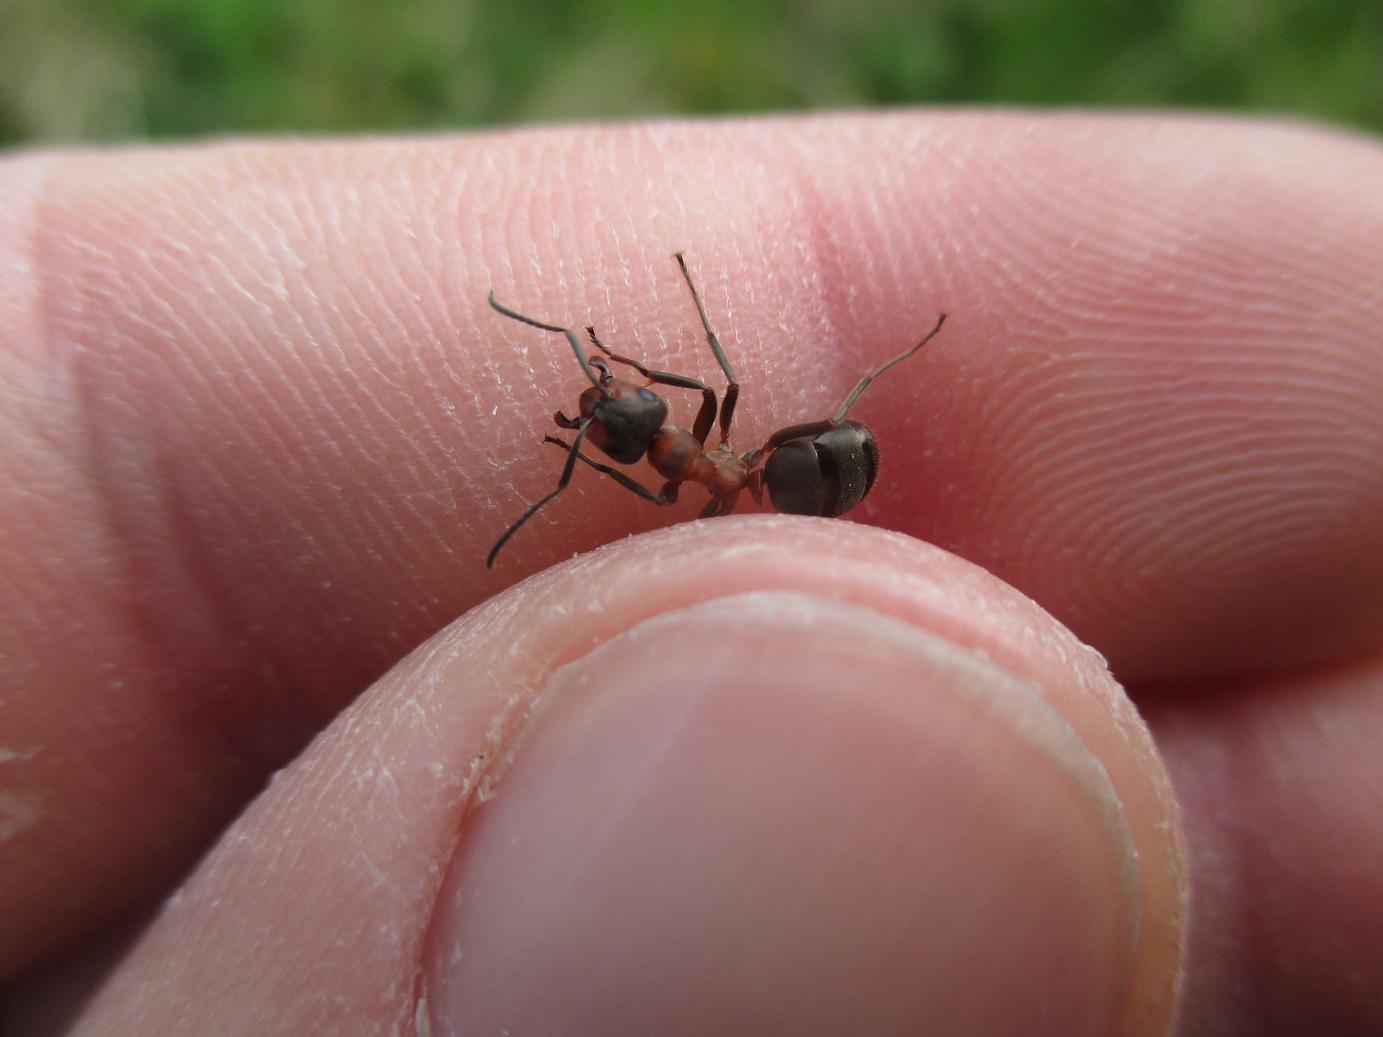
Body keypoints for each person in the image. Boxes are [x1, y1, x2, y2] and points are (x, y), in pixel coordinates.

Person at [1, 113, 1380, 1035]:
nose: (612, 414)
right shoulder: (681, 471)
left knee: (768, 417)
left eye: (612, 410)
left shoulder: (704, 462)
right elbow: (657, 433)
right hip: (787, 486)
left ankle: (860, 399)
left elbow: (690, 399)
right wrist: (591, 431)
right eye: (612, 418)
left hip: (803, 475)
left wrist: (616, 407)